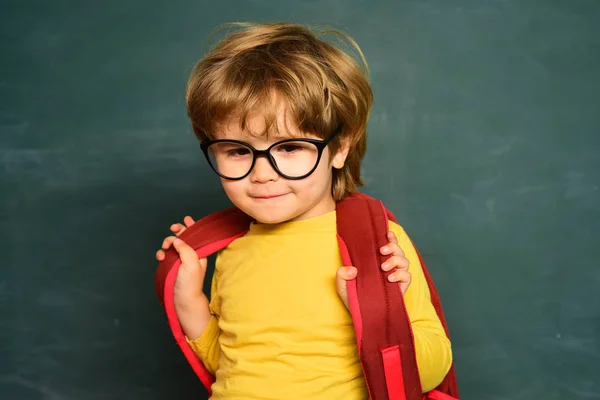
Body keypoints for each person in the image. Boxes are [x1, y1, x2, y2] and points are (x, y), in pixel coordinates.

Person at [155, 22, 452, 399]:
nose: (262, 174)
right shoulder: (232, 250)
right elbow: (232, 366)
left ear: (340, 147)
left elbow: (430, 370)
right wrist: (189, 299)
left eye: (289, 148)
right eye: (237, 150)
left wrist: (382, 313)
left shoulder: (376, 244)